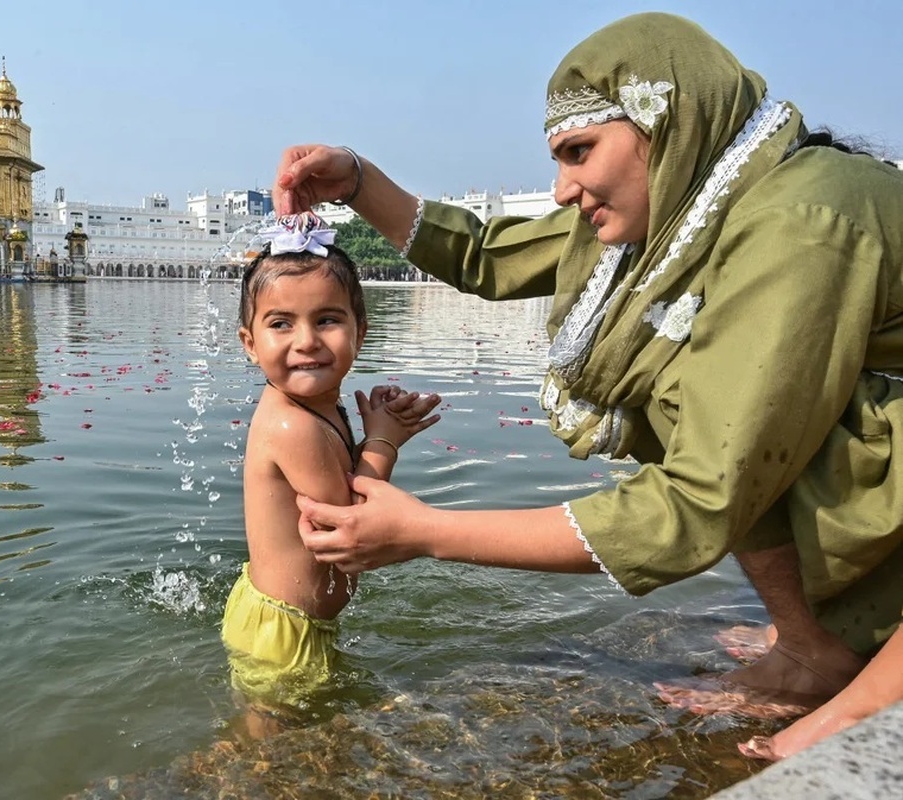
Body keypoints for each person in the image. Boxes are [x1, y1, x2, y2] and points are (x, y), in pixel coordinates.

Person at [271, 12, 903, 763]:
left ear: (665, 121)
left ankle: (871, 692)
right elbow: (487, 257)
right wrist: (358, 180)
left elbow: (703, 497)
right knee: (698, 389)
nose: (563, 189)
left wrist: (429, 533)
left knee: (719, 409)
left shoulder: (800, 220)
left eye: (578, 152)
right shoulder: (691, 209)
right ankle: (811, 646)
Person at [221, 213, 441, 734]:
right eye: (281, 323)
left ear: (359, 332)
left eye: (327, 320)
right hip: (282, 635)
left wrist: (373, 434)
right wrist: (385, 440)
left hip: (287, 620)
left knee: (300, 748)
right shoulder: (293, 425)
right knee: (270, 754)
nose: (307, 341)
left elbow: (340, 482)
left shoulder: (319, 406)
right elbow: (354, 527)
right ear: (249, 343)